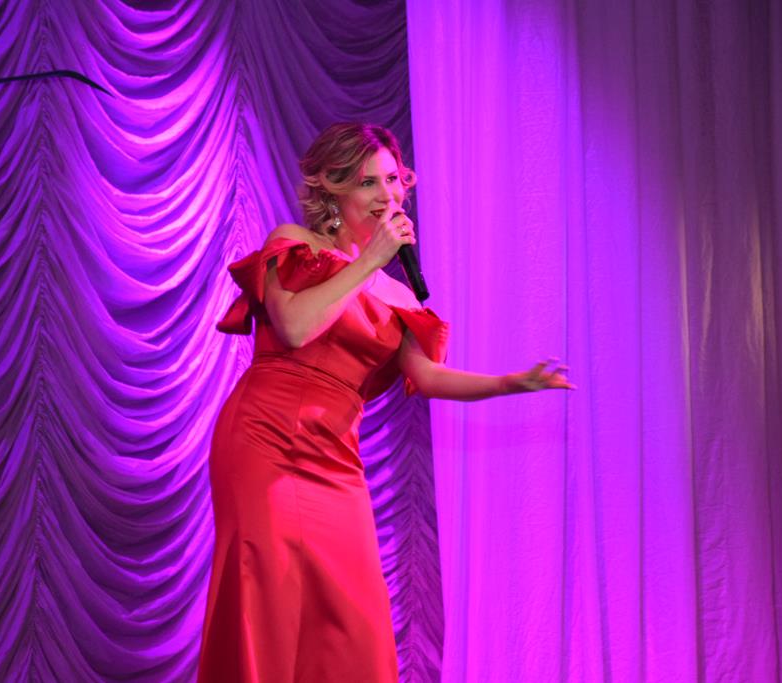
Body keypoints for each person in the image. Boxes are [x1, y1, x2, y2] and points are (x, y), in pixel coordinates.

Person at [197, 122, 574, 682]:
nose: (387, 194)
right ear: (333, 188)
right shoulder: (295, 244)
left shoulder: (398, 295)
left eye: (394, 180)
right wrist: (369, 261)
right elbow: (295, 327)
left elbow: (427, 376)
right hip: (264, 440)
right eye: (369, 182)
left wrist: (509, 383)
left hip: (335, 457)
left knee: (354, 614)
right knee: (268, 595)